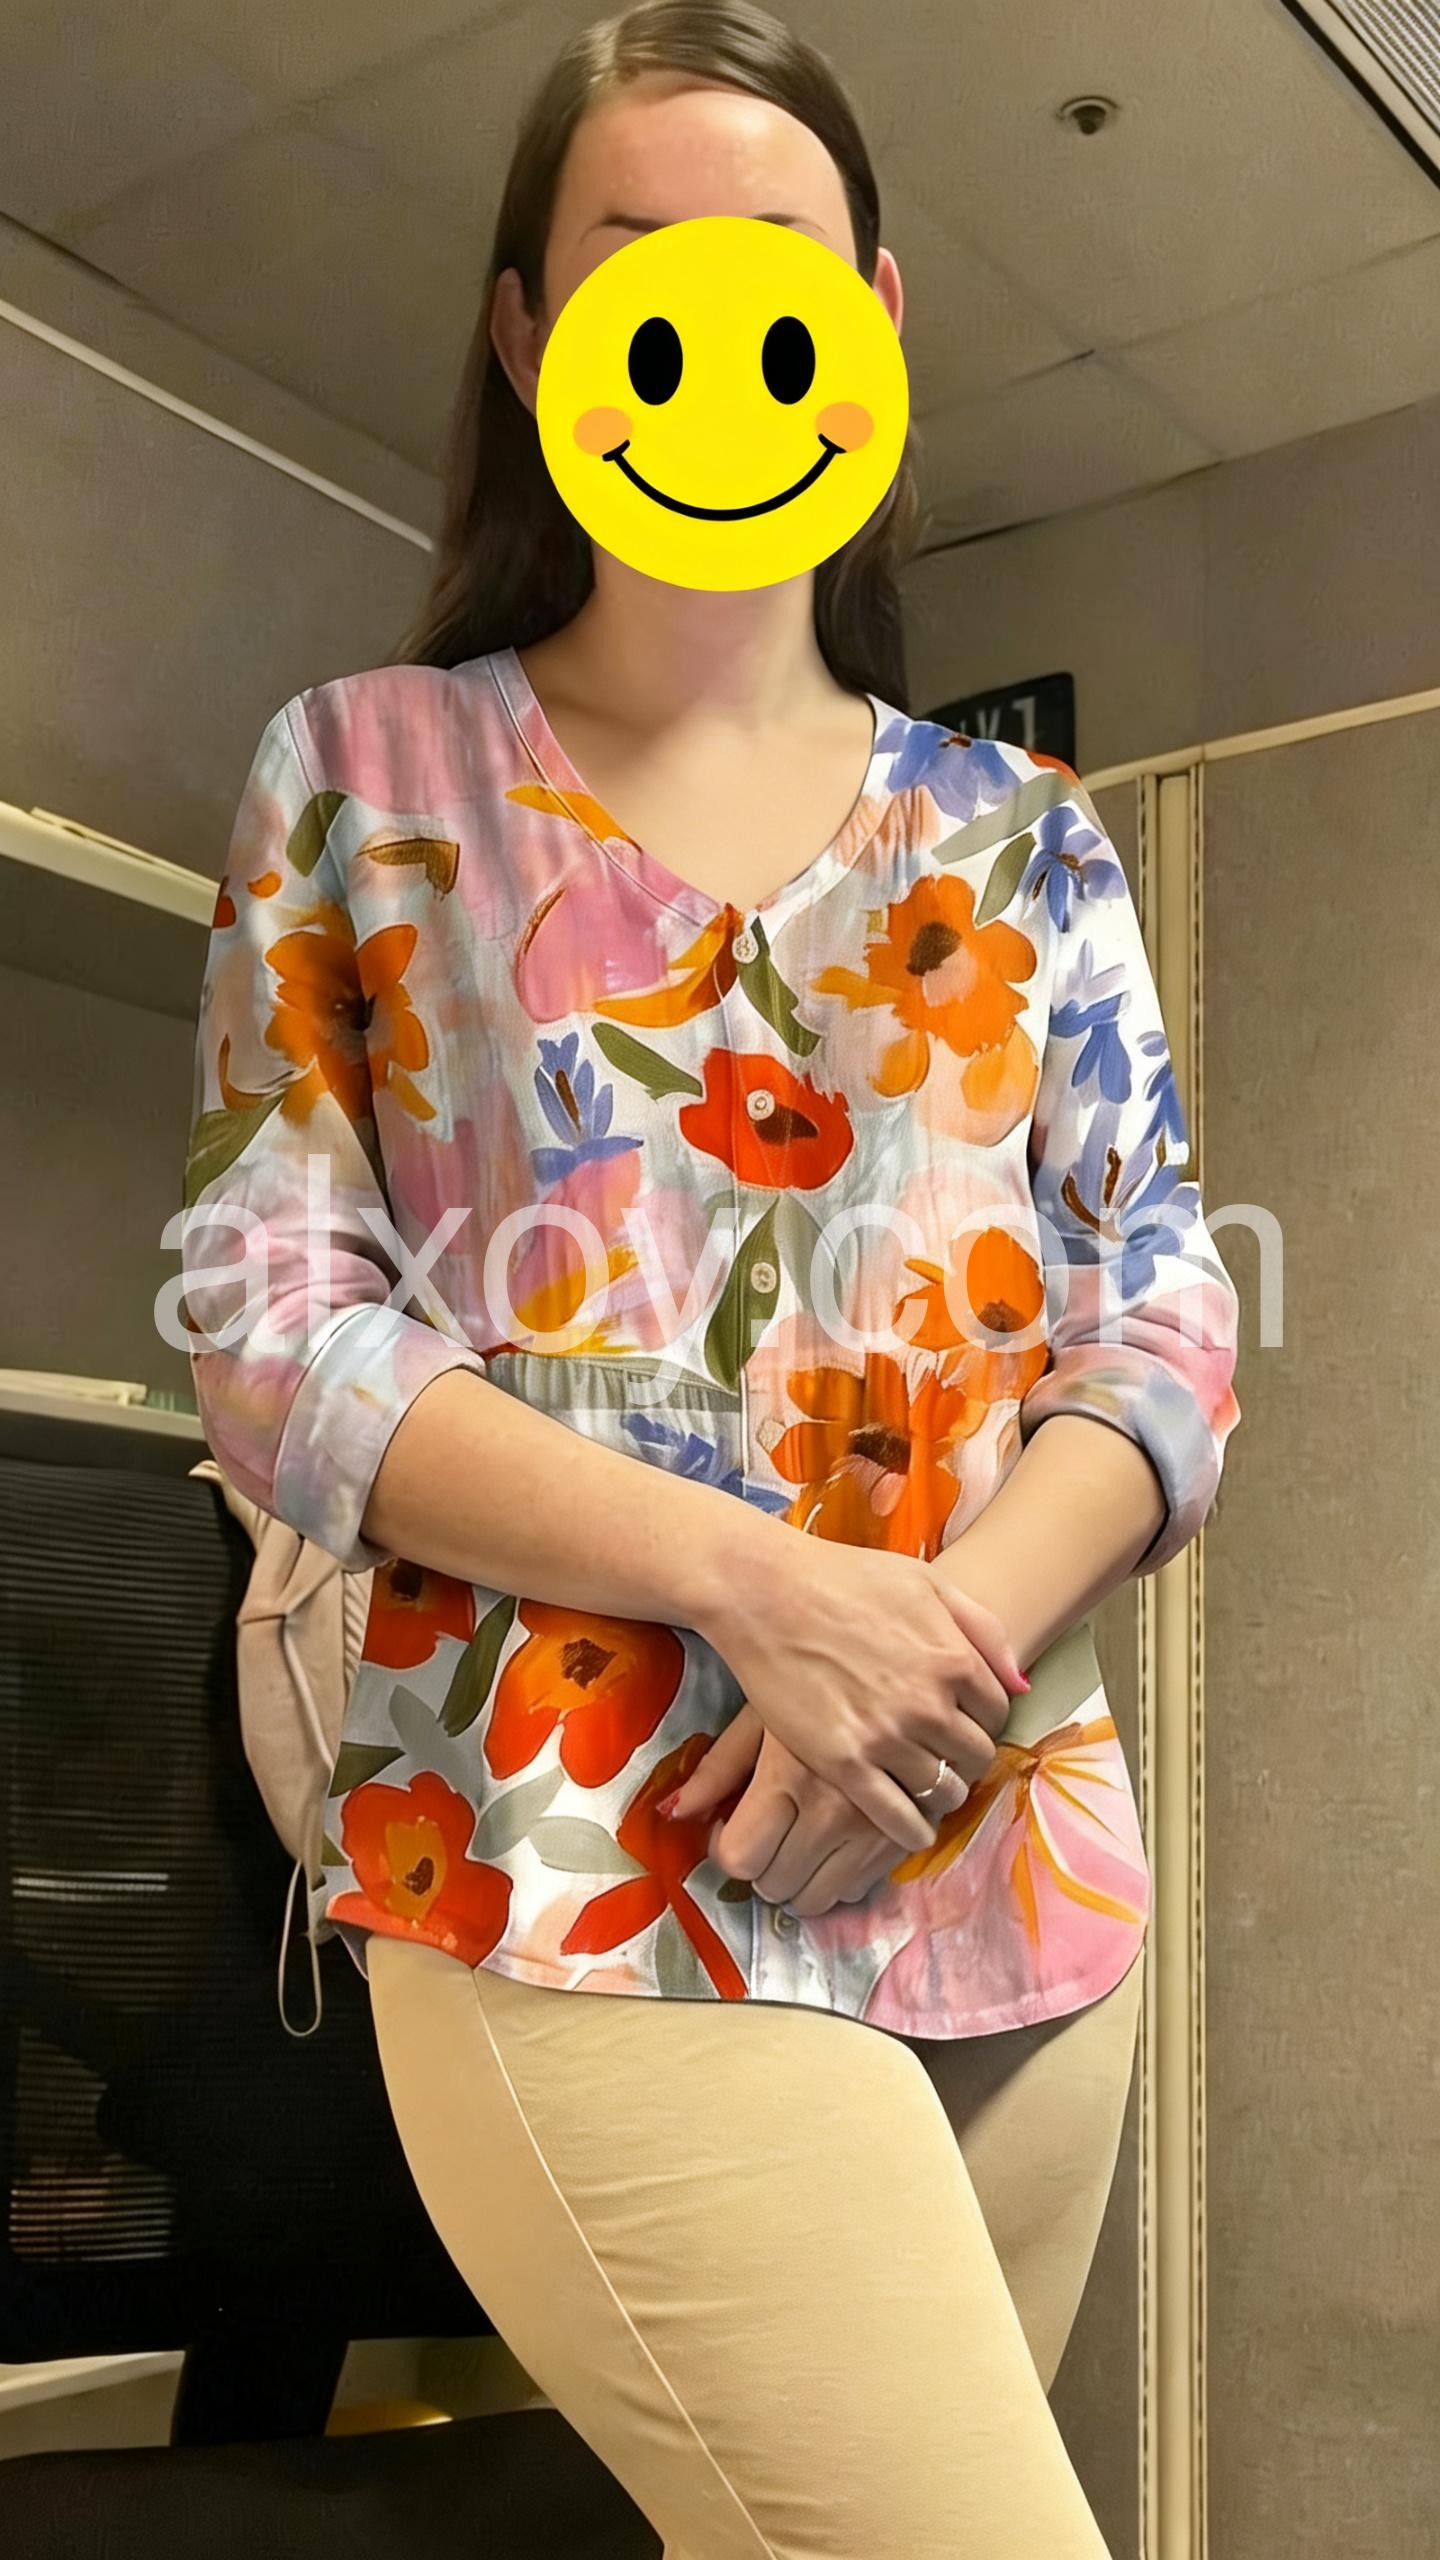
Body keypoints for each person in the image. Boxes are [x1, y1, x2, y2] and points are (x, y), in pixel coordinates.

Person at [180, 5, 1242, 2550]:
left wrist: (931, 1650)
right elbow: (271, 1321)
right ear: (532, 335)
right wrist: (770, 1590)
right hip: (568, 1858)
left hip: (1001, 1844)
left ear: (870, 322)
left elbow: (1171, 1310)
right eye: (637, 264)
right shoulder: (362, 778)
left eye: (776, 267)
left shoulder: (1024, 839)